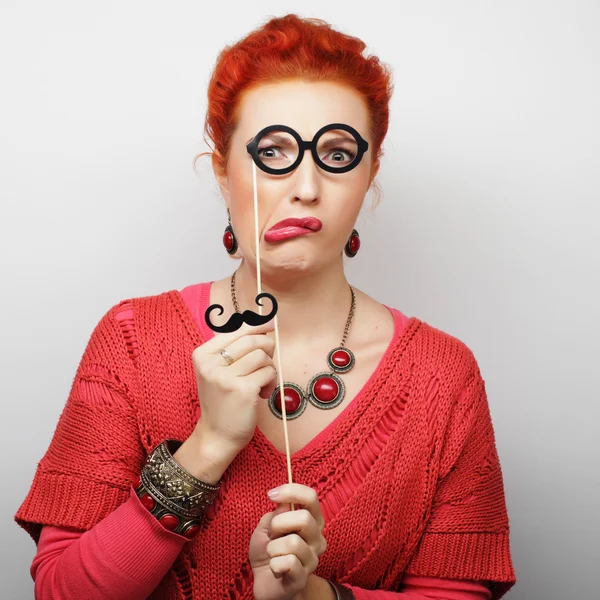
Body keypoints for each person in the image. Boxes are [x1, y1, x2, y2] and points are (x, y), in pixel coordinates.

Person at [14, 13, 517, 600]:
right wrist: (205, 449)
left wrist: (317, 597)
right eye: (273, 150)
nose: (305, 187)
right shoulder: (130, 338)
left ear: (370, 173)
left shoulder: (443, 375)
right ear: (223, 172)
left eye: (336, 152)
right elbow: (59, 593)